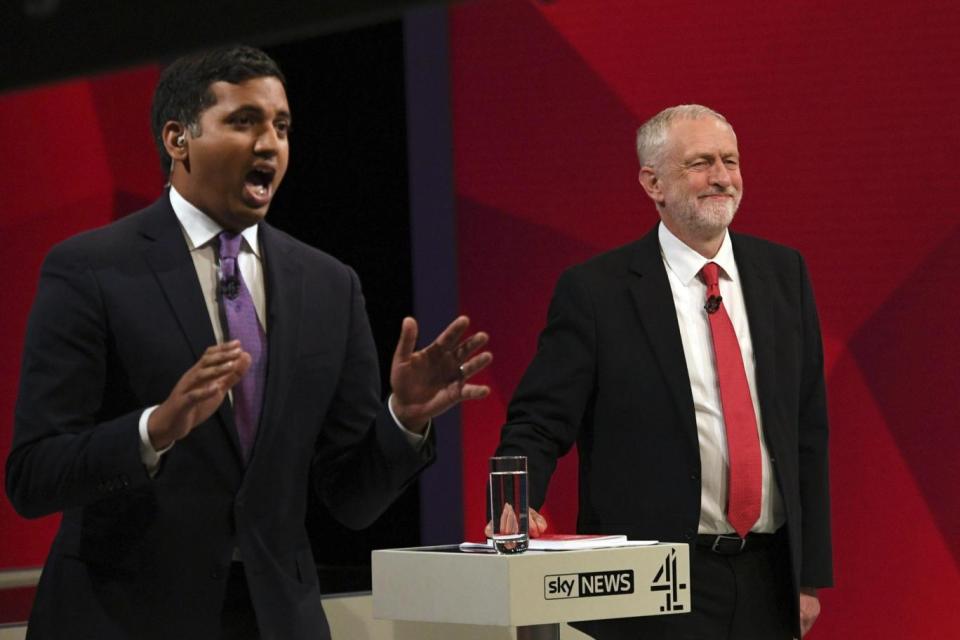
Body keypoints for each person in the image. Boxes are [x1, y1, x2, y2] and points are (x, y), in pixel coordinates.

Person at [5, 45, 492, 640]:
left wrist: (401, 421)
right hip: (123, 617)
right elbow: (33, 476)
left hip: (275, 619)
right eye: (244, 122)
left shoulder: (329, 285)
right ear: (178, 139)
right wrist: (155, 429)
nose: (270, 144)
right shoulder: (91, 270)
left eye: (281, 127)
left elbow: (351, 499)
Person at [493, 105, 832, 639]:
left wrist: (808, 576)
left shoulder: (782, 273)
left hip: (767, 575)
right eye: (700, 163)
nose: (721, 177)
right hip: (651, 579)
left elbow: (807, 430)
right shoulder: (597, 291)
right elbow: (540, 419)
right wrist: (515, 500)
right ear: (653, 182)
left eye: (730, 161)